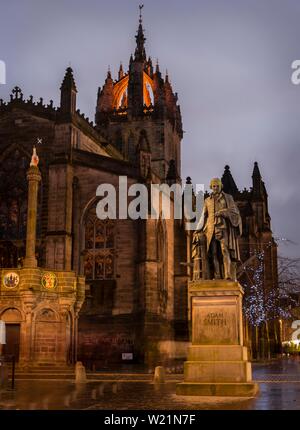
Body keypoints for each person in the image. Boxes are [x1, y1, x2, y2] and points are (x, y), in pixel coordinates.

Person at [193, 177, 242, 280]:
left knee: (225, 250)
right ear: (211, 187)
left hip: (223, 227)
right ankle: (217, 276)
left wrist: (223, 212)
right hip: (210, 229)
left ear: (221, 186)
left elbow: (235, 212)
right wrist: (197, 229)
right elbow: (203, 215)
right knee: (213, 253)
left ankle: (228, 275)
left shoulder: (228, 198)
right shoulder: (207, 200)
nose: (215, 188)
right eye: (214, 186)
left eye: (217, 186)